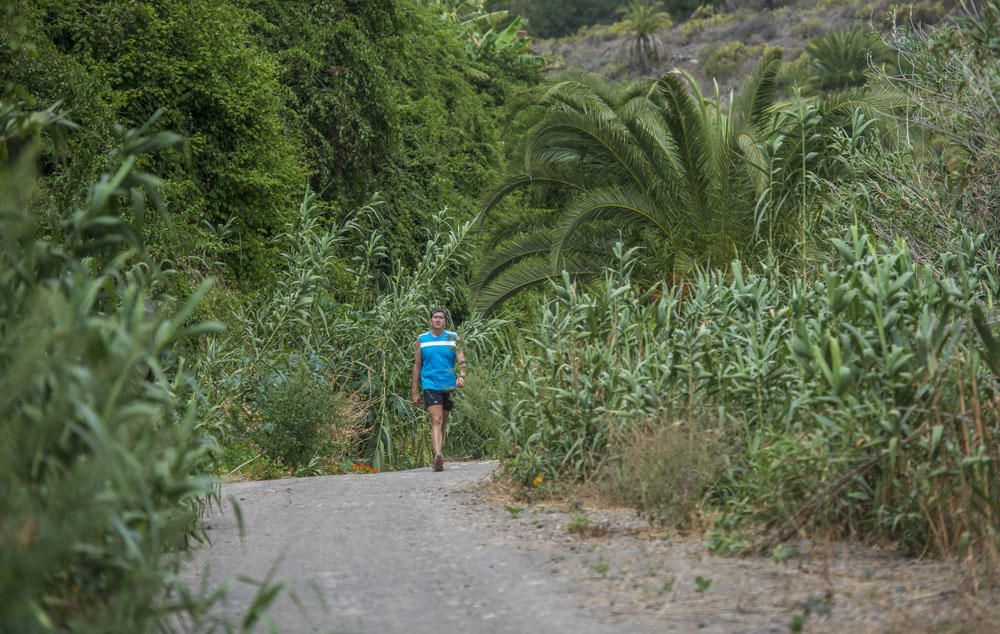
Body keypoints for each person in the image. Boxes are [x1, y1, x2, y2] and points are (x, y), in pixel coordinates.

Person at [411, 307, 466, 472]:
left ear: (445, 321)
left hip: (448, 385)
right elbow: (417, 365)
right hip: (430, 384)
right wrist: (414, 391)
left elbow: (462, 360)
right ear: (430, 320)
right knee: (436, 419)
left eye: (441, 317)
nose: (438, 320)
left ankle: (438, 454)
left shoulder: (453, 338)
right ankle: (438, 455)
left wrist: (462, 375)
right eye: (435, 317)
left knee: (443, 421)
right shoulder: (422, 339)